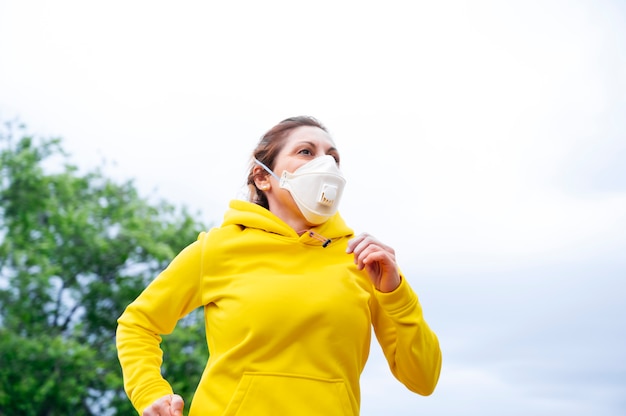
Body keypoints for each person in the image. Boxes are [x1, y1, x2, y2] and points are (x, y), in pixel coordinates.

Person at [116, 116, 442, 416]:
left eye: (333, 156)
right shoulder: (218, 248)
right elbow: (138, 323)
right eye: (306, 151)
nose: (325, 163)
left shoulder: (364, 261)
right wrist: (150, 392)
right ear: (263, 177)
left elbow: (423, 379)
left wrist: (396, 293)